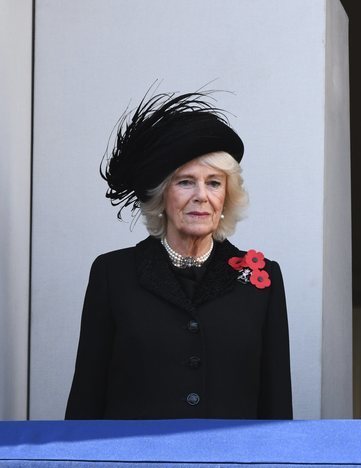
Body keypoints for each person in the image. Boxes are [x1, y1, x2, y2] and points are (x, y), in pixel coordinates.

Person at [65, 91, 292, 419]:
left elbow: (276, 404)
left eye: (214, 183)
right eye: (186, 182)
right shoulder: (113, 274)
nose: (202, 196)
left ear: (226, 196)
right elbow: (87, 396)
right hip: (135, 466)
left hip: (228, 467)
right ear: (161, 195)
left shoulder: (262, 279)